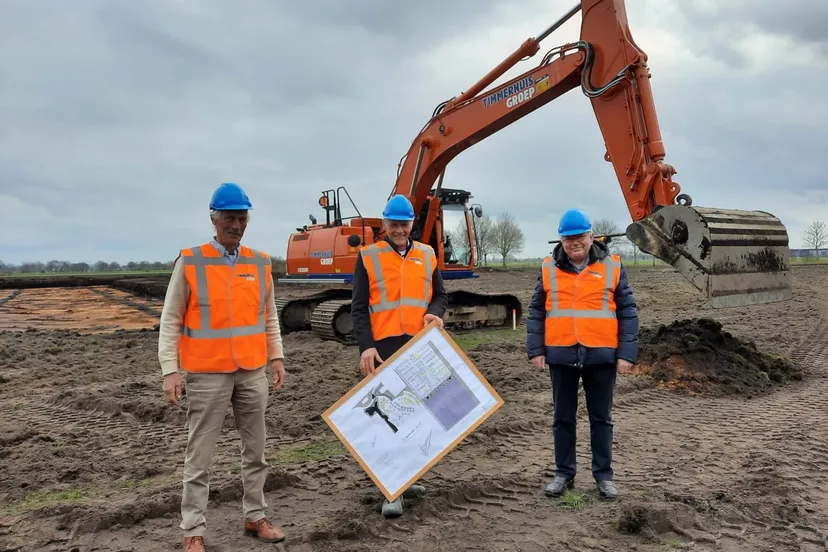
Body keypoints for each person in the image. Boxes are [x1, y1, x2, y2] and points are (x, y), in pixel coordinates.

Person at [158, 182, 287, 552]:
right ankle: (193, 530)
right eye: (230, 217)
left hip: (251, 371)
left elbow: (268, 317)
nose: (236, 224)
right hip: (206, 373)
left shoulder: (259, 262)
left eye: (241, 217)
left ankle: (255, 515)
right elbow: (171, 320)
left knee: (256, 451)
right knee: (199, 456)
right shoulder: (191, 262)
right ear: (214, 219)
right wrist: (171, 369)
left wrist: (275, 357)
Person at [526, 208, 639, 500]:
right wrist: (536, 350)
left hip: (601, 354)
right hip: (561, 353)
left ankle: (604, 477)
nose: (574, 243)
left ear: (591, 237)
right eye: (568, 239)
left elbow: (627, 311)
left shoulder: (612, 266)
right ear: (561, 241)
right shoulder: (548, 267)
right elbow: (537, 310)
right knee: (563, 418)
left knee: (601, 418)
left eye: (580, 237)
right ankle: (564, 474)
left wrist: (626, 354)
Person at [350, 193, 449, 518]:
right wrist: (366, 346)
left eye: (404, 224)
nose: (399, 229)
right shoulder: (368, 256)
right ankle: (389, 489)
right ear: (385, 224)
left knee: (416, 418)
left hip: (419, 348)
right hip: (383, 348)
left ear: (411, 224)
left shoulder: (427, 254)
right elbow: (359, 308)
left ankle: (406, 479)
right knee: (387, 419)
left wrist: (435, 313)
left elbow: (439, 296)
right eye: (393, 224)